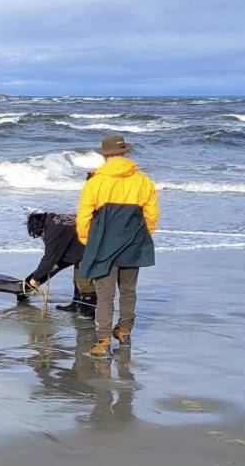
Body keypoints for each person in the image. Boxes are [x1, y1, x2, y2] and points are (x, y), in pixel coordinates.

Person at [76, 135, 159, 358]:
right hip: (133, 242)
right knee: (128, 290)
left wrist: (88, 241)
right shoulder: (143, 181)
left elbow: (83, 218)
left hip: (103, 244)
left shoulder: (95, 182)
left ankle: (103, 341)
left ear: (105, 156)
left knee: (105, 294)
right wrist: (140, 237)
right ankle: (125, 332)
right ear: (124, 153)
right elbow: (152, 217)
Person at [24, 211, 97, 318]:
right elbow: (67, 247)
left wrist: (35, 279)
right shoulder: (55, 220)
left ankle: (89, 312)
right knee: (77, 279)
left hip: (93, 246)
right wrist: (58, 264)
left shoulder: (53, 231)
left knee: (84, 282)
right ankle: (77, 304)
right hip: (83, 244)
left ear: (40, 228)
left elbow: (49, 257)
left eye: (40, 235)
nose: (41, 237)